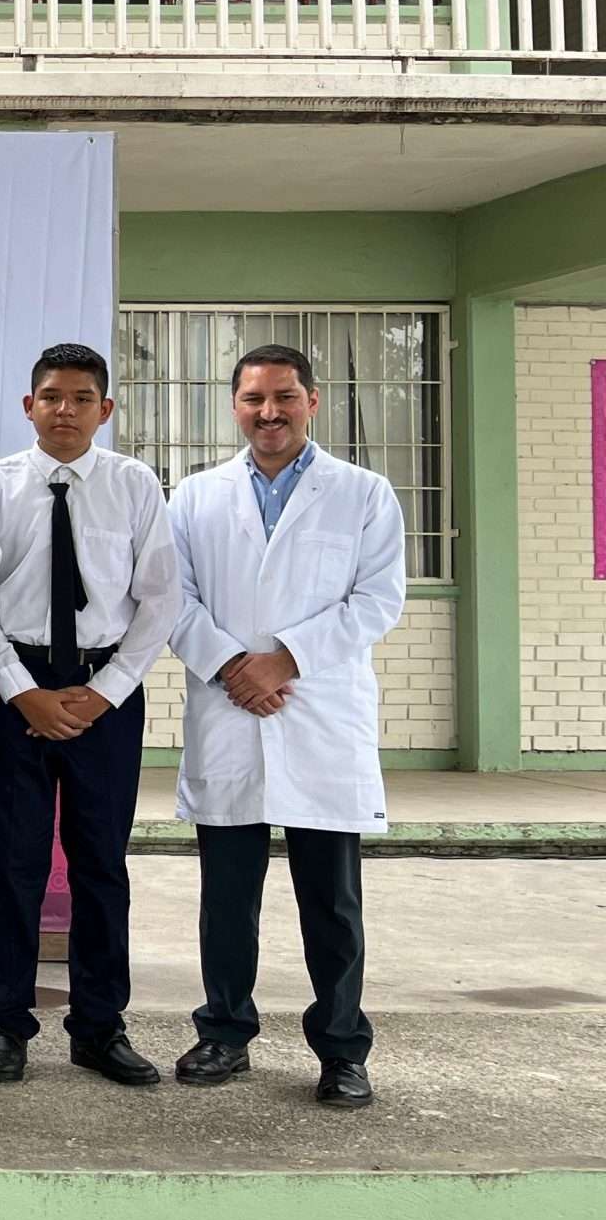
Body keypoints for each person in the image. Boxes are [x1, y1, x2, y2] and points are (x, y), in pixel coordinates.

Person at [168, 344, 404, 1110]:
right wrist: (233, 665)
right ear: (235, 406)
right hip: (229, 707)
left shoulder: (363, 494)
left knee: (331, 903)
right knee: (226, 899)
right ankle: (224, 1033)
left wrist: (285, 661)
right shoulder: (195, 497)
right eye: (253, 399)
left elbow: (377, 600)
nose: (268, 412)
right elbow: (170, 597)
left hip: (316, 712)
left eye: (284, 397)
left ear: (312, 400)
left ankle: (341, 1049)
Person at [0, 344, 179, 1087]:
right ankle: (5, 1022)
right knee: (12, 862)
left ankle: (100, 1027)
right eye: (51, 397)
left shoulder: (133, 484)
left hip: (104, 691)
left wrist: (108, 689)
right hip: (15, 688)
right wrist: (21, 690)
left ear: (104, 409)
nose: (65, 411)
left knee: (100, 864)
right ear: (28, 406)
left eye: (82, 399)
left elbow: (161, 597)